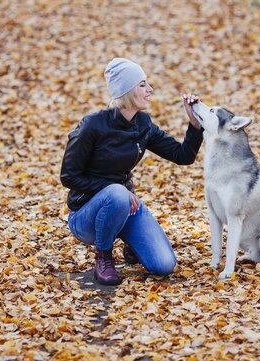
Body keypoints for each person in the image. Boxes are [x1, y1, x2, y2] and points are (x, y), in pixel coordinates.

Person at [60, 58, 203, 285]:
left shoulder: (143, 123)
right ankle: (104, 257)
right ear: (127, 90)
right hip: (86, 216)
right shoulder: (92, 125)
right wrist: (114, 190)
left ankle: (130, 240)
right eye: (143, 84)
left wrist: (195, 124)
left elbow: (182, 156)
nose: (150, 90)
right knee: (116, 194)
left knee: (164, 265)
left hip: (127, 207)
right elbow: (69, 177)